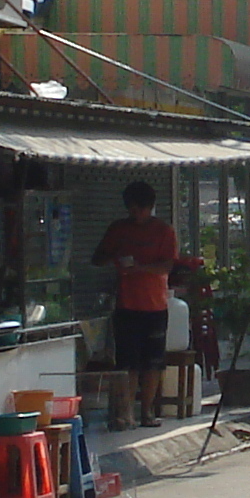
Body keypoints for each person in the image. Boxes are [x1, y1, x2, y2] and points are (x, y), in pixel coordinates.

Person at [90, 181, 179, 430]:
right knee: (127, 362)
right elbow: (97, 258)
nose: (136, 214)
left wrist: (140, 268)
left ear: (150, 208)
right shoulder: (118, 229)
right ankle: (126, 411)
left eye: (141, 209)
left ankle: (147, 411)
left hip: (155, 305)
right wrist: (115, 256)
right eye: (132, 209)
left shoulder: (164, 231)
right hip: (126, 305)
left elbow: (167, 266)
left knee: (152, 363)